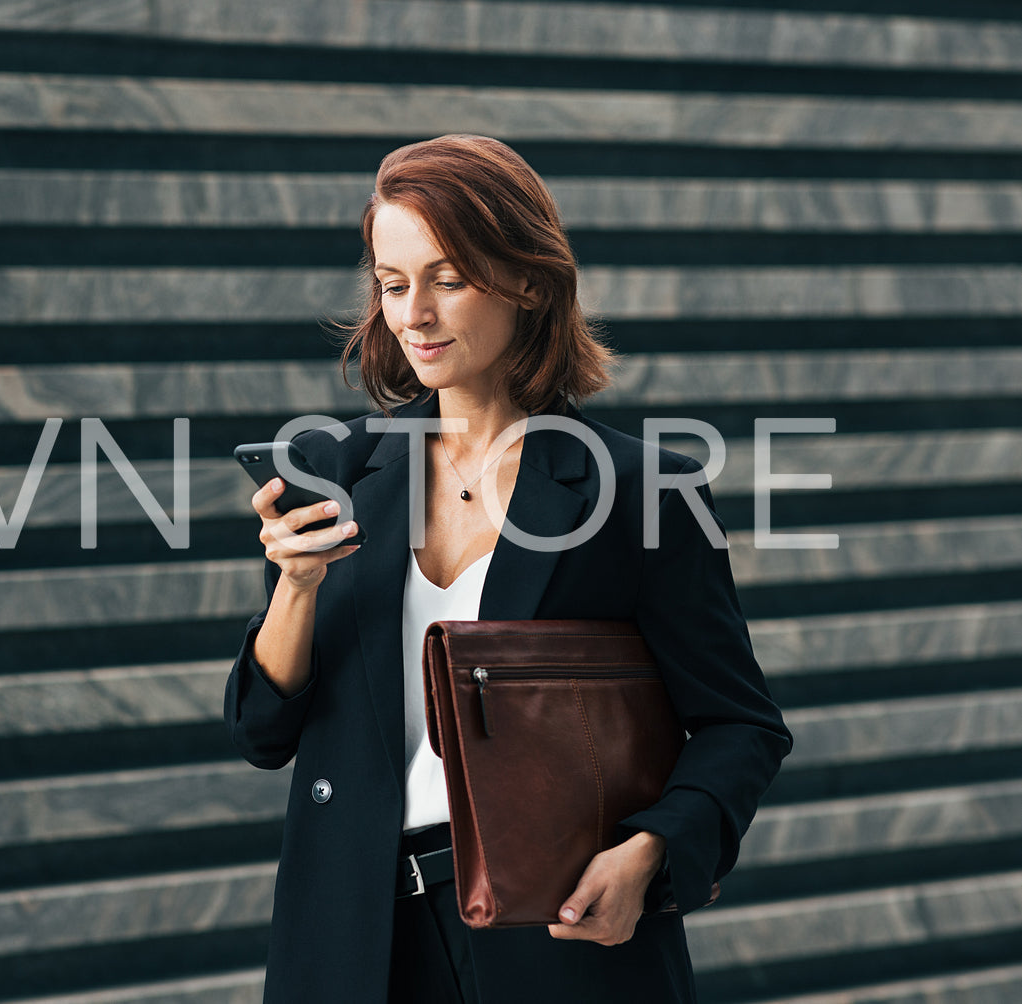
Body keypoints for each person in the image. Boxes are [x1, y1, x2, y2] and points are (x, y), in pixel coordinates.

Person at [223, 134, 792, 1003]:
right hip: (347, 937)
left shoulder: (640, 489)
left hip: (553, 928)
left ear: (527, 279)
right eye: (391, 283)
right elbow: (262, 732)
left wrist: (647, 855)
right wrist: (296, 586)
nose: (412, 313)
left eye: (446, 279)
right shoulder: (336, 472)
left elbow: (739, 725)